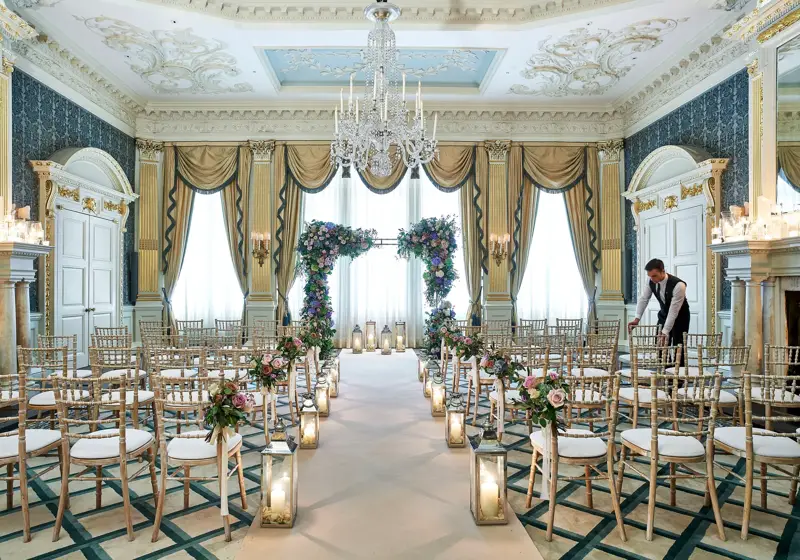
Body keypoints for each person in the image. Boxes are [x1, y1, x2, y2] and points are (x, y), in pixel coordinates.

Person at [627, 258, 690, 348]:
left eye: (654, 276)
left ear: (663, 271)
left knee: (679, 348)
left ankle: (679, 362)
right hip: (664, 314)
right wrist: (637, 319)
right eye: (650, 276)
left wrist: (665, 332)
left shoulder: (679, 285)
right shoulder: (650, 280)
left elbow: (673, 312)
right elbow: (644, 299)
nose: (652, 279)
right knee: (660, 346)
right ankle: (661, 362)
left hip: (680, 317)